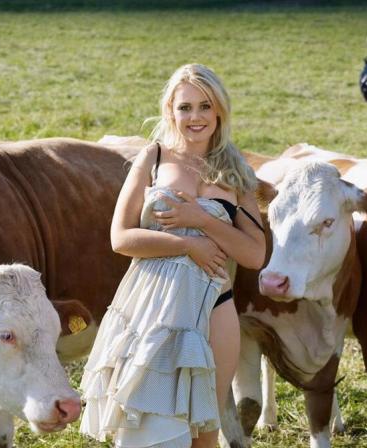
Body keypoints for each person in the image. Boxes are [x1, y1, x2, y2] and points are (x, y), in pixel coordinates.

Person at [80, 63, 266, 448]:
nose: (195, 117)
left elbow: (255, 255)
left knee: (205, 431)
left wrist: (202, 220)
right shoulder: (154, 158)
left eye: (205, 106)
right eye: (185, 107)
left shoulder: (236, 170)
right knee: (146, 424)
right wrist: (186, 244)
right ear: (170, 110)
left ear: (219, 110)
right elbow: (120, 237)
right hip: (153, 309)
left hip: (215, 309)